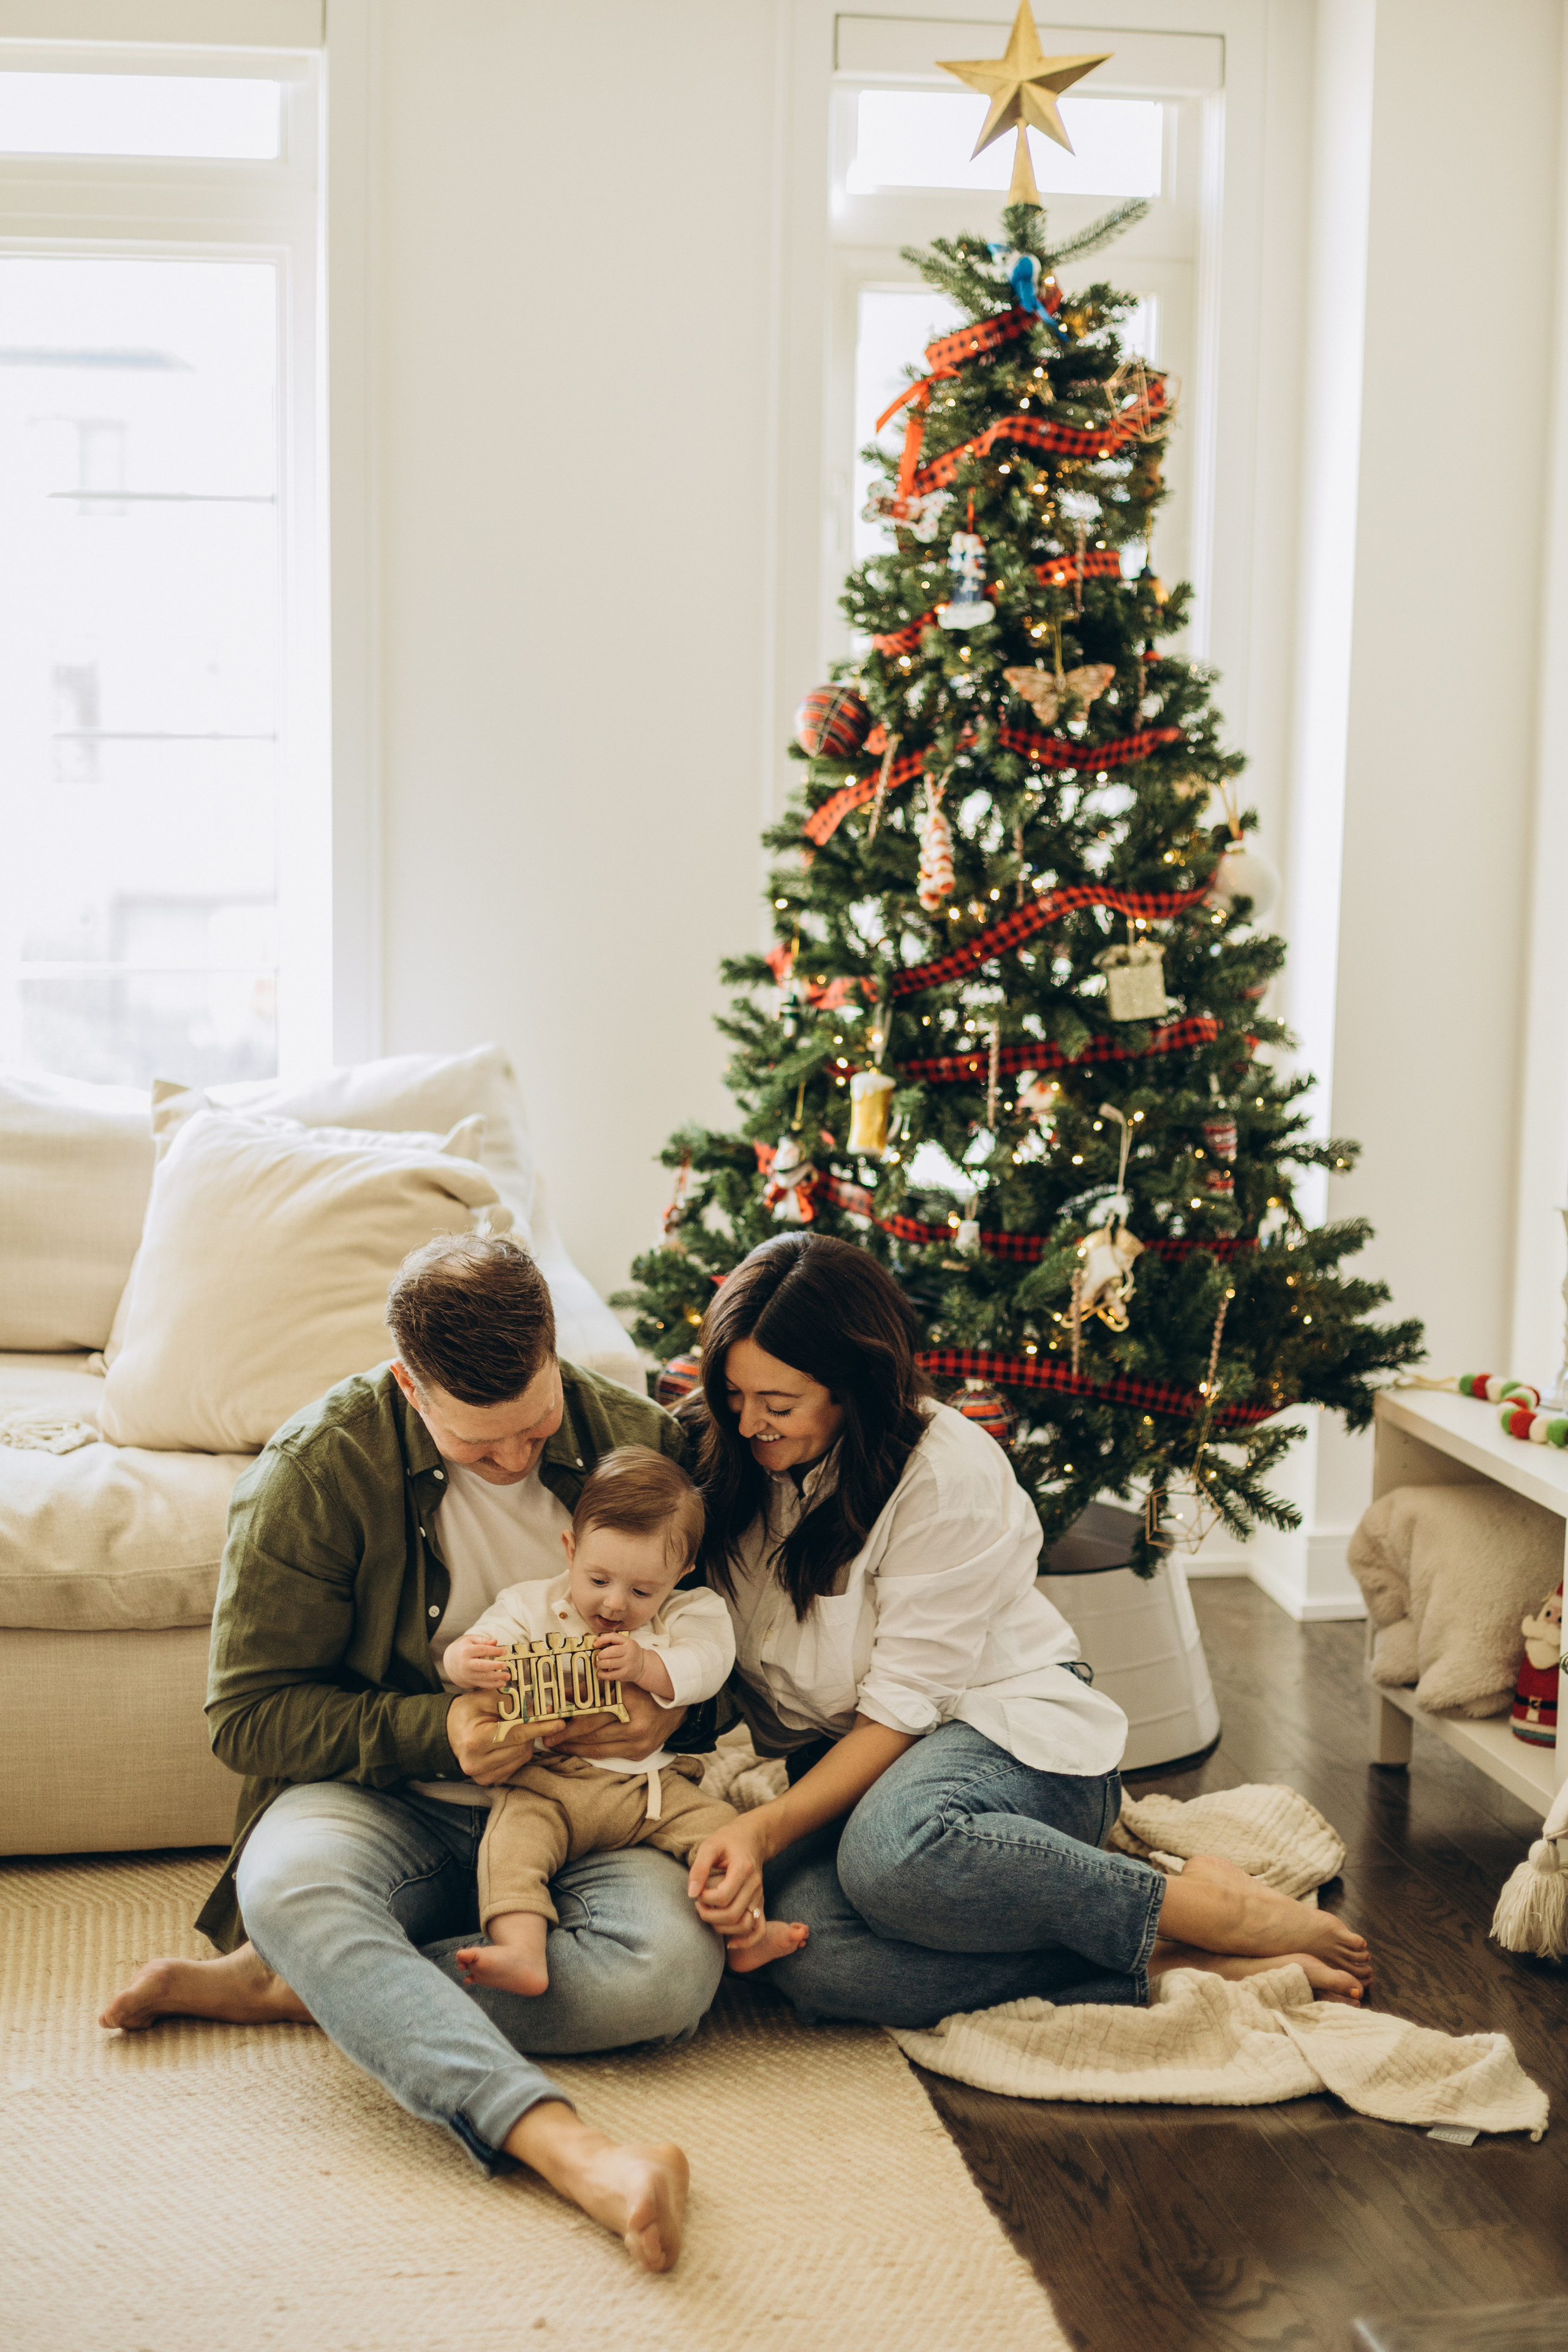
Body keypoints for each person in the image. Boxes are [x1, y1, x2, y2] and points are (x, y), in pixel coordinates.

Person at [101, 1233, 718, 2272]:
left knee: (662, 1980)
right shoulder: (316, 1469)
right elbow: (248, 1716)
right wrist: (434, 1731)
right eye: (483, 1448)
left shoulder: (637, 1442)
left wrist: (667, 1718)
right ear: (410, 1384)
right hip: (389, 1801)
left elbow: (721, 1646)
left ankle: (311, 1981)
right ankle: (569, 2151)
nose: (518, 1462)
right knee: (290, 1883)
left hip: (590, 1806)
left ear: (553, 1348)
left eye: (535, 1427)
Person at [676, 1232, 1375, 2020]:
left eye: (778, 1404)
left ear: (856, 1387)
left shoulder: (944, 1472)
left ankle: (1201, 1910)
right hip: (854, 1773)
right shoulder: (723, 1454)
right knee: (817, 1959)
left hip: (1008, 1742)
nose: (747, 1425)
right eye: (733, 1396)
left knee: (891, 1858)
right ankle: (1171, 1953)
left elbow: (904, 1709)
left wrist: (767, 1830)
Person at [442, 1444, 807, 1994]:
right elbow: (485, 1644)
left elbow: (710, 1665)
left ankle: (745, 1935)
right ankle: (521, 1948)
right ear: (570, 1549)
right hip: (548, 1784)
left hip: (652, 1791)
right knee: (510, 1847)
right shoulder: (529, 1604)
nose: (615, 1605)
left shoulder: (691, 1610)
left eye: (642, 1591)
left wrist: (648, 1665)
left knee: (722, 1836)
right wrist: (464, 1659)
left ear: (680, 1572)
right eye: (598, 1580)